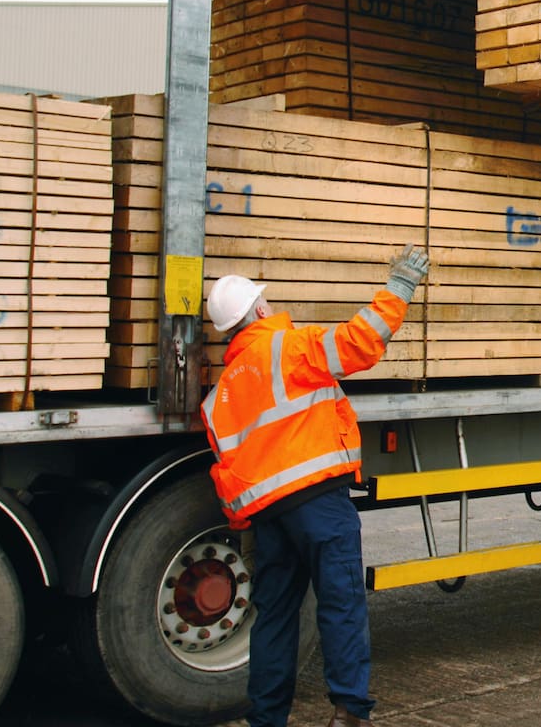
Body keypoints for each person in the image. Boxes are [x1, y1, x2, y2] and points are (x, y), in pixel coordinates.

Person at [200, 245, 430, 727]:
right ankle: (348, 711)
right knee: (341, 603)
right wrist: (400, 288)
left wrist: (246, 526)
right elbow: (360, 342)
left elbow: (227, 472)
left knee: (275, 619)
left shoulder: (218, 397)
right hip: (319, 504)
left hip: (269, 519)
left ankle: (266, 720)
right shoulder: (289, 346)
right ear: (260, 310)